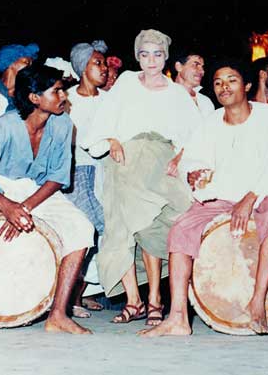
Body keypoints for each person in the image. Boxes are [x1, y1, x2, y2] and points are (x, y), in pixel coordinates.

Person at [139, 58, 268, 337]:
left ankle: (258, 302)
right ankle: (178, 317)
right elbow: (193, 159)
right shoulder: (211, 122)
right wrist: (194, 173)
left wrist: (249, 199)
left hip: (266, 192)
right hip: (222, 195)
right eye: (218, 83)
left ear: (246, 85)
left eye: (231, 80)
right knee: (181, 229)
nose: (224, 87)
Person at [81, 29, 199, 326]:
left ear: (165, 57)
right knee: (121, 229)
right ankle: (133, 301)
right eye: (145, 54)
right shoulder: (125, 82)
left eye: (157, 54)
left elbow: (197, 135)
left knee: (152, 224)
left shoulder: (176, 93)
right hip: (124, 162)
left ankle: (155, 298)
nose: (151, 61)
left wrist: (181, 156)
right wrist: (111, 140)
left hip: (160, 163)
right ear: (138, 57)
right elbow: (103, 121)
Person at [0, 65, 94, 334]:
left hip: (37, 191)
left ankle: (58, 314)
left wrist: (25, 207)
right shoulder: (5, 125)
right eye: (57, 91)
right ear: (34, 98)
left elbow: (58, 176)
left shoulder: (63, 124)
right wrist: (7, 207)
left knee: (82, 229)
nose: (64, 96)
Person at [64, 40, 110, 318]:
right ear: (83, 68)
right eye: (97, 63)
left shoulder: (108, 99)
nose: (104, 68)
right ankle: (71, 296)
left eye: (104, 63)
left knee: (102, 232)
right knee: (85, 228)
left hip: (105, 170)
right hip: (79, 170)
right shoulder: (68, 98)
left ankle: (83, 293)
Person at [0, 43, 39, 122]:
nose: (30, 68)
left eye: (31, 65)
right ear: (10, 62)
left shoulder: (26, 101)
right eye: (26, 62)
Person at [173, 49, 215, 119]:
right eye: (196, 65)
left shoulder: (206, 101)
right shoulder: (166, 96)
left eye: (202, 67)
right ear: (179, 67)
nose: (202, 71)